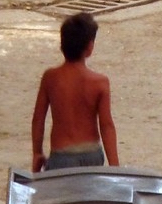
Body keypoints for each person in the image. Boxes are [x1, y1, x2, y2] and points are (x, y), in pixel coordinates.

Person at [31, 12, 119, 172]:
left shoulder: (50, 78)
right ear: (90, 47)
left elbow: (38, 119)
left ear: (62, 45)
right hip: (91, 154)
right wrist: (115, 167)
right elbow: (107, 126)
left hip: (61, 155)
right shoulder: (100, 82)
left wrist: (37, 153)